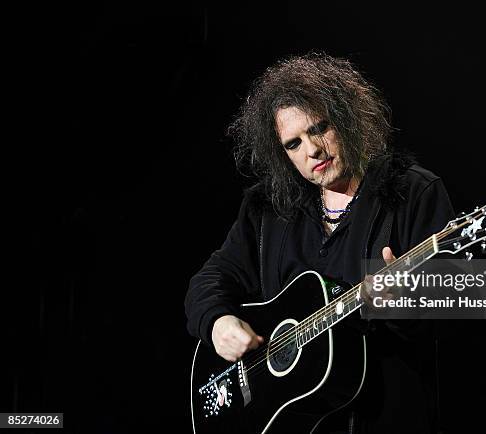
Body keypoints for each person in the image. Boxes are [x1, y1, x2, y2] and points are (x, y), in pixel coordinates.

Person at [185, 52, 455, 433]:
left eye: (319, 129)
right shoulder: (268, 210)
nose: (311, 150)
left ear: (345, 118)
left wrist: (404, 307)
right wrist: (216, 322)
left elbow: (458, 304)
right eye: (293, 144)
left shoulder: (412, 192)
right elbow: (211, 279)